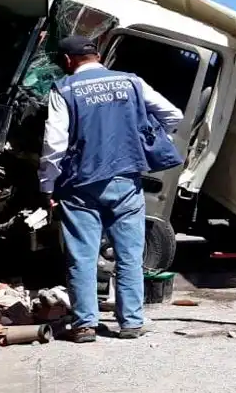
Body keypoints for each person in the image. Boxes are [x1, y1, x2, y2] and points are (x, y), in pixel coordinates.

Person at [39, 35, 184, 343]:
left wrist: (47, 185)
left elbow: (54, 144)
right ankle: (131, 322)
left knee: (83, 255)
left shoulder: (64, 89)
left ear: (67, 61)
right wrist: (145, 138)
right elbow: (174, 116)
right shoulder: (131, 83)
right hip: (125, 180)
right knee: (130, 254)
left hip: (79, 185)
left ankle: (85, 325)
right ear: (98, 55)